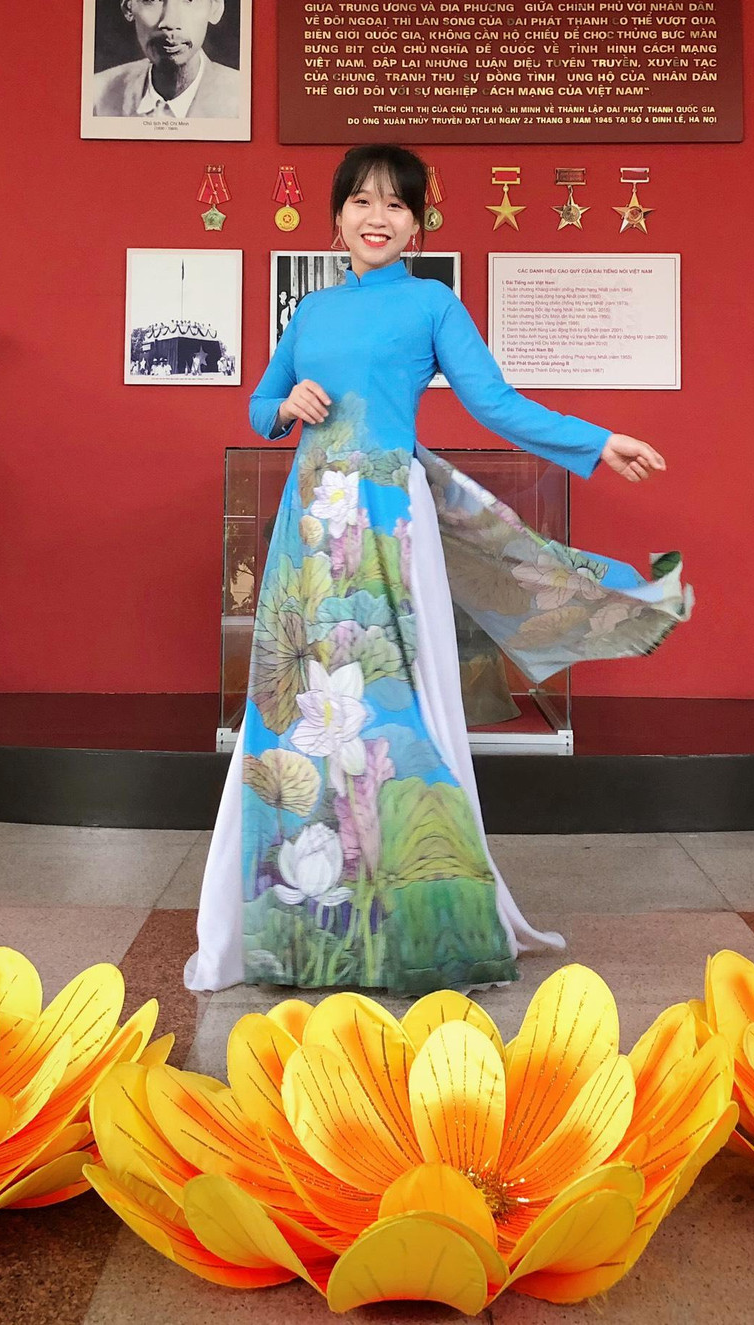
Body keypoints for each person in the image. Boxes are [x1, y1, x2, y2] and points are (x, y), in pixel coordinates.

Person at [185, 144, 693, 994]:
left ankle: (413, 921)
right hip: (310, 529)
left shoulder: (431, 303)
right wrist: (285, 405)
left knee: (396, 701)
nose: (376, 217)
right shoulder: (311, 312)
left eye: (396, 204)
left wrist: (598, 441)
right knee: (295, 711)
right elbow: (261, 403)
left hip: (390, 520)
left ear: (417, 226)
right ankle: (297, 926)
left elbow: (495, 404)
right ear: (337, 217)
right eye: (361, 201)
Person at [91, 0, 245, 121]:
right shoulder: (97, 97)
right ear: (128, 5)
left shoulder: (243, 100)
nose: (170, 22)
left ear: (214, 7)